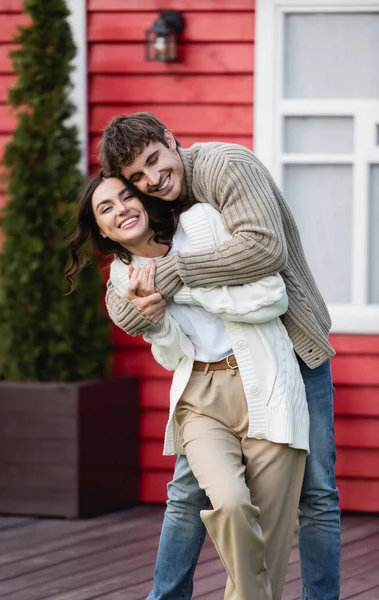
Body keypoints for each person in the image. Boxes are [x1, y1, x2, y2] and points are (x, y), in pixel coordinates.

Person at [98, 112, 341, 600]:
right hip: (216, 375)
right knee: (190, 495)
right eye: (137, 178)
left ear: (171, 139)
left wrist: (171, 279)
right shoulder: (155, 203)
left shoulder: (224, 166)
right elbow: (130, 302)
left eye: (154, 161)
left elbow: (263, 250)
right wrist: (136, 296)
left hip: (292, 345)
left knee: (316, 497)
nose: (151, 180)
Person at [65, 173, 309, 600]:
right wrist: (158, 322)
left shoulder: (202, 224)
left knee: (269, 541)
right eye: (106, 208)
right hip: (199, 397)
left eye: (126, 197)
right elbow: (173, 354)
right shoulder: (123, 281)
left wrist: (185, 288)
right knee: (230, 505)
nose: (121, 209)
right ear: (101, 231)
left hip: (267, 385)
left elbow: (273, 297)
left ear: (143, 201)